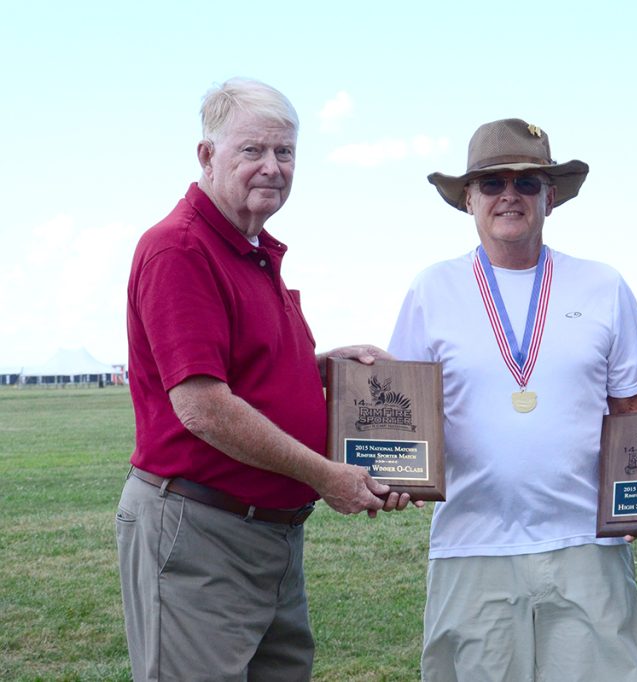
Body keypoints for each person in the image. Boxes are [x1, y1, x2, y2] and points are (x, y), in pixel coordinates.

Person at [116, 77, 416, 681]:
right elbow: (202, 405)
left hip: (268, 536)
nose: (272, 167)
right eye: (252, 150)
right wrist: (326, 475)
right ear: (207, 155)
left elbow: (244, 370)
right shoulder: (179, 249)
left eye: (285, 152)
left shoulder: (250, 249)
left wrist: (323, 365)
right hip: (201, 532)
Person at [388, 118, 637, 681]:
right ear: (468, 198)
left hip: (587, 547)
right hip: (471, 547)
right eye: (492, 183)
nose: (510, 194)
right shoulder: (431, 289)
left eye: (527, 182)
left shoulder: (602, 285)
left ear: (551, 196)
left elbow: (630, 414)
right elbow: (403, 418)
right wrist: (390, 473)